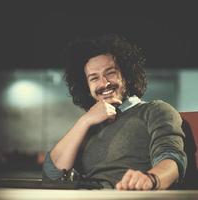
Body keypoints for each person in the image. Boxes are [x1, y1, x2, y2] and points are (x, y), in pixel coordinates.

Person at [42, 33, 187, 190]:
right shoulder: (89, 124)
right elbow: (51, 174)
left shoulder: (155, 110)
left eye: (110, 72)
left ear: (126, 75)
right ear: (87, 87)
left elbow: (173, 158)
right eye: (94, 78)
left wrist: (151, 179)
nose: (104, 83)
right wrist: (85, 121)